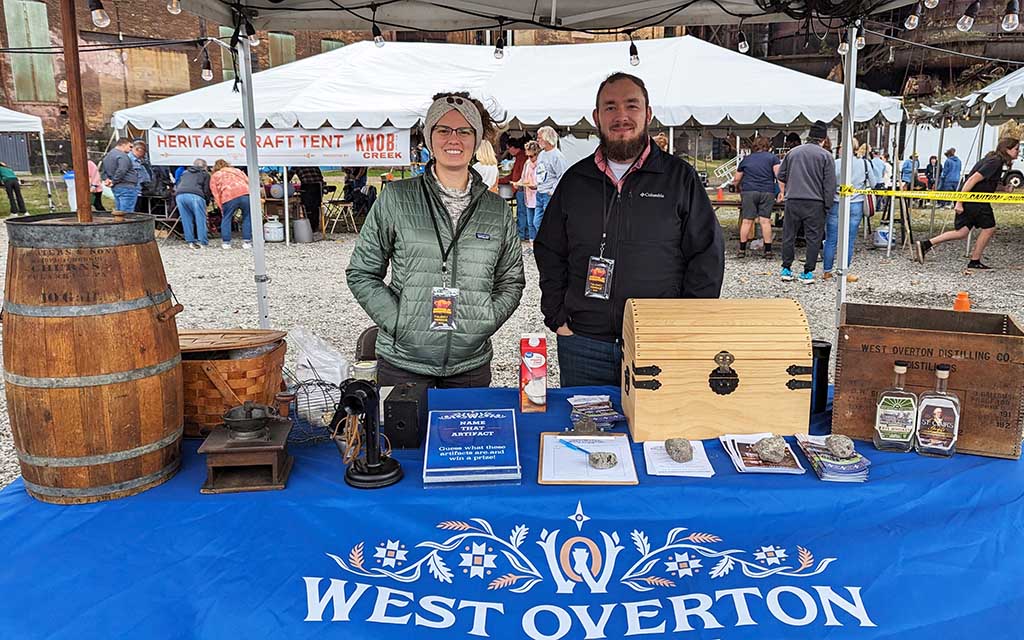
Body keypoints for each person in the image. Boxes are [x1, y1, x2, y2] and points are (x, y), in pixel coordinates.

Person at [534, 72, 725, 387]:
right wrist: (557, 315)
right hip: (583, 343)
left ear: (648, 114)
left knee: (656, 433)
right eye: (610, 107)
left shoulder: (679, 179)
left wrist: (686, 324)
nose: (621, 115)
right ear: (597, 117)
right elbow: (549, 249)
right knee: (587, 434)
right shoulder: (575, 180)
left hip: (658, 343)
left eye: (631, 106)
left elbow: (707, 256)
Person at [346, 91, 525, 389]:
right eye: (443, 129)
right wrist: (400, 321)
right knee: (401, 438)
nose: (453, 139)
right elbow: (362, 272)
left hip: (470, 366)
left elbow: (511, 281)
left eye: (464, 131)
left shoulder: (497, 211)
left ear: (477, 139)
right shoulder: (396, 198)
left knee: (467, 438)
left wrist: (483, 322)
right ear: (430, 137)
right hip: (403, 362)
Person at [913, 136, 1020, 270]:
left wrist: (1003, 188)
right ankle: (975, 260)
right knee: (989, 228)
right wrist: (959, 202)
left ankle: (926, 244)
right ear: (1007, 149)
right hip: (975, 200)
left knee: (962, 232)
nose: (1018, 152)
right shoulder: (995, 161)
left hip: (972, 199)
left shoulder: (994, 160)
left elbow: (985, 183)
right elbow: (972, 180)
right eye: (1016, 149)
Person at [776, 120, 835, 285]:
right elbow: (829, 184)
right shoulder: (826, 156)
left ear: (809, 136)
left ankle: (786, 269)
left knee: (789, 235)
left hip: (793, 200)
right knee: (813, 238)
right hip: (815, 203)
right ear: (823, 139)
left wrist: (785, 191)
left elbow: (781, 176)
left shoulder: (793, 153)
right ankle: (808, 272)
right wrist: (828, 205)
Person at [823, 139, 878, 283]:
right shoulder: (864, 163)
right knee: (849, 239)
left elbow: (827, 183)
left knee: (831, 239)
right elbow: (873, 183)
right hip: (856, 203)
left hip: (836, 202)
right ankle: (844, 271)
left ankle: (827, 271)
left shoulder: (835, 164)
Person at [731, 135, 779, 259]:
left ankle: (742, 249)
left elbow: (736, 179)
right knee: (765, 221)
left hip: (749, 191)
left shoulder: (746, 159)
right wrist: (781, 191)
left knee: (747, 221)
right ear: (768, 146)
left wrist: (737, 188)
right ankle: (768, 250)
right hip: (767, 191)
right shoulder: (773, 158)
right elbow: (778, 175)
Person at [533, 125, 567, 242]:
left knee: (550, 222)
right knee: (537, 222)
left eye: (539, 138)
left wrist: (552, 191)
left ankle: (551, 243)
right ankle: (545, 242)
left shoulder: (557, 156)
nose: (537, 140)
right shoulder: (542, 154)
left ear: (547, 138)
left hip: (548, 194)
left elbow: (562, 175)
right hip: (540, 192)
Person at [209, 159, 252, 249]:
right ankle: (247, 242)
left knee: (227, 218)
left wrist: (221, 207)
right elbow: (248, 182)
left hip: (228, 196)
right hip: (245, 194)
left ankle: (226, 243)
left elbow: (215, 193)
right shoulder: (238, 171)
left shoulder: (216, 175)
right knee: (247, 217)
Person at [175, 159, 212, 249]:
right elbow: (206, 190)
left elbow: (178, 184)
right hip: (196, 195)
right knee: (200, 219)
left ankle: (190, 241)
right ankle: (202, 241)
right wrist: (207, 201)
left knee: (186, 219)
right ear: (205, 167)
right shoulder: (205, 174)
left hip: (180, 195)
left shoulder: (185, 173)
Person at [497, 138, 528, 240]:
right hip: (520, 187)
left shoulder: (522, 157)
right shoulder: (520, 157)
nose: (508, 151)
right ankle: (524, 233)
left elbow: (518, 175)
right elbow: (513, 174)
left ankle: (522, 234)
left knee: (522, 211)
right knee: (523, 211)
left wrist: (501, 180)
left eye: (508, 148)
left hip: (521, 188)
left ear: (514, 147)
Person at [512, 141, 540, 249]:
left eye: (532, 156)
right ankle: (532, 244)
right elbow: (523, 178)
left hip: (538, 196)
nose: (529, 158)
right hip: (528, 196)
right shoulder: (527, 163)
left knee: (537, 221)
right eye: (528, 156)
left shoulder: (542, 163)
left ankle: (538, 242)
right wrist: (518, 183)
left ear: (537, 153)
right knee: (530, 222)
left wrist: (535, 185)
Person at [100, 137, 139, 212]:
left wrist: (107, 179)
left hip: (116, 187)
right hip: (127, 186)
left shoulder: (107, 156)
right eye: (130, 146)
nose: (131, 149)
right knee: (127, 213)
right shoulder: (122, 156)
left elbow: (103, 171)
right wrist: (114, 181)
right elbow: (122, 170)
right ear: (123, 144)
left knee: (119, 211)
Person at [289, 165, 325, 232]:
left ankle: (310, 227)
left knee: (308, 207)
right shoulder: (311, 162)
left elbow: (287, 177)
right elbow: (320, 176)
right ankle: (315, 227)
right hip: (319, 186)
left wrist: (282, 178)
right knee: (316, 207)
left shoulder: (296, 164)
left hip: (308, 185)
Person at [131, 141, 152, 212]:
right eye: (144, 152)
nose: (144, 154)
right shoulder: (130, 160)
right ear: (139, 150)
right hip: (135, 190)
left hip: (141, 190)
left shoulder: (140, 160)